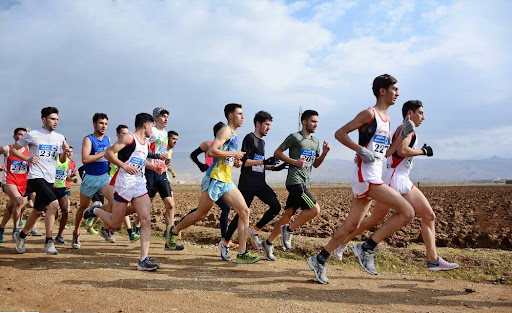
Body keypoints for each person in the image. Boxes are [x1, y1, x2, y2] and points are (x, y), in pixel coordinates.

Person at [308, 74, 416, 284]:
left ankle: (319, 258)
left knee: (351, 225)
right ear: (382, 91)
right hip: (365, 175)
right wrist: (359, 150)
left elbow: (386, 153)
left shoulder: (388, 120)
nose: (398, 93)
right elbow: (340, 133)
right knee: (407, 211)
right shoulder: (369, 114)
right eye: (395, 89)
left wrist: (403, 135)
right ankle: (366, 248)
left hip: (373, 174)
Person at [333, 100, 458, 271]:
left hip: (396, 176)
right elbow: (402, 151)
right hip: (396, 178)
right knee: (427, 215)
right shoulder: (405, 129)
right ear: (410, 114)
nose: (423, 117)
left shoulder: (402, 129)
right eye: (420, 113)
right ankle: (431, 259)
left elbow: (391, 151)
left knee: (376, 219)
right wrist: (424, 151)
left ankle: (342, 243)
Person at [166, 103, 260, 264]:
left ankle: (242, 253)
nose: (243, 117)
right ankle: (174, 231)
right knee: (200, 214)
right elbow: (211, 151)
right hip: (215, 179)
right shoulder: (225, 130)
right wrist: (234, 153)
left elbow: (224, 157)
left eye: (243, 114)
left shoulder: (234, 134)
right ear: (230, 116)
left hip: (226, 180)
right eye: (239, 113)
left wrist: (235, 161)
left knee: (244, 211)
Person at [83, 113, 162, 270]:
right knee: (115, 223)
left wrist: (154, 167)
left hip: (139, 184)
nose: (152, 130)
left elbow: (141, 160)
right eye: (152, 126)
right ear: (146, 125)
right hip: (124, 184)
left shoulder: (145, 143)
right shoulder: (128, 138)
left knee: (145, 219)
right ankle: (96, 210)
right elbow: (108, 153)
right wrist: (123, 166)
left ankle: (143, 259)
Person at [260, 110, 330, 261]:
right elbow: (278, 153)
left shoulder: (315, 141)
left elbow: (315, 164)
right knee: (314, 209)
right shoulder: (295, 137)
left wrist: (324, 153)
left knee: (288, 215)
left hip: (304, 181)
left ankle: (268, 242)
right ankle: (289, 230)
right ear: (304, 122)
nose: (315, 124)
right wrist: (294, 162)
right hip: (294, 181)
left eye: (317, 121)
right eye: (313, 121)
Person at [220, 111, 287, 261]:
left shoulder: (262, 142)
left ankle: (254, 230)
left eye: (270, 125)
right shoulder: (250, 138)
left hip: (260, 183)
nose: (269, 128)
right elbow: (245, 162)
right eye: (267, 124)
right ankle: (225, 243)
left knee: (276, 206)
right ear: (258, 124)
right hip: (248, 185)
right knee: (240, 215)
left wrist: (274, 167)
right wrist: (264, 162)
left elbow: (258, 164)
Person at [11, 107, 69, 255]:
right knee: (54, 204)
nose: (55, 122)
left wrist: (66, 153)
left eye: (57, 119)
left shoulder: (60, 137)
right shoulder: (33, 135)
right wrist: (27, 159)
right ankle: (49, 241)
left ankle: (21, 236)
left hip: (50, 177)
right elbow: (14, 150)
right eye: (52, 119)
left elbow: (61, 159)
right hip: (36, 176)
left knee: (37, 211)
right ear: (44, 119)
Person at [189, 122, 236, 251]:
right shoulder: (208, 145)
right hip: (211, 181)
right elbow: (193, 155)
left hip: (221, 182)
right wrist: (200, 165)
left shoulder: (226, 148)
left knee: (216, 209)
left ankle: (224, 240)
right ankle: (224, 240)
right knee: (204, 211)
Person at [73, 113, 115, 249]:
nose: (104, 126)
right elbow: (85, 159)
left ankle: (104, 227)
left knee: (115, 201)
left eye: (106, 124)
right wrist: (104, 154)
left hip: (104, 177)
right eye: (101, 123)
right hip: (90, 178)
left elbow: (110, 157)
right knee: (82, 207)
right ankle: (76, 232)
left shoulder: (108, 139)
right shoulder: (88, 139)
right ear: (94, 124)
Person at [146, 108, 180, 250]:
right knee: (143, 207)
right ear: (156, 118)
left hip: (161, 173)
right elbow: (144, 150)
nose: (166, 119)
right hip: (150, 172)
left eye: (167, 117)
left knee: (170, 205)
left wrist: (165, 161)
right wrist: (156, 159)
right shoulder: (151, 131)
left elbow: (161, 150)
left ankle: (170, 241)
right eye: (163, 116)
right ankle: (116, 217)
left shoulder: (165, 133)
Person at [0, 128, 29, 242]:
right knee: (19, 202)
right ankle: (16, 230)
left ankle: (1, 228)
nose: (22, 137)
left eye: (24, 135)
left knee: (12, 207)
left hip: (23, 183)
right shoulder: (6, 148)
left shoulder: (29, 150)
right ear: (14, 136)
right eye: (20, 135)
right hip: (9, 181)